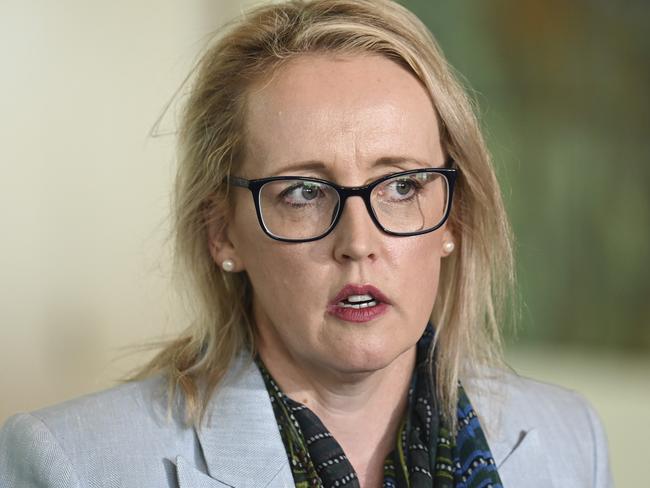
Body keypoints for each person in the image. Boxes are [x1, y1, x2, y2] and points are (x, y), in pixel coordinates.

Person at [0, 1, 613, 487]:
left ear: (452, 218)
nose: (358, 243)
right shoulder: (71, 465)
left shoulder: (568, 440)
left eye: (401, 184)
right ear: (222, 233)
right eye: (302, 192)